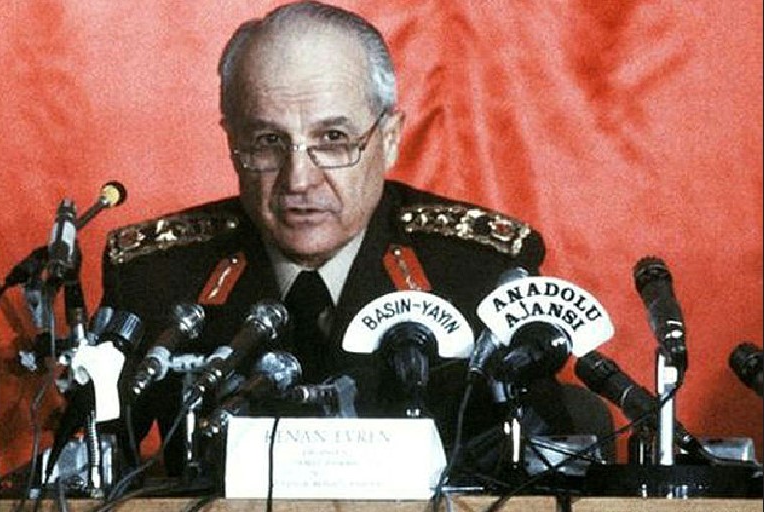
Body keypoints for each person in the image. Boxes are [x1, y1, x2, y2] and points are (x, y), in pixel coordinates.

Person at [101, 0, 602, 482]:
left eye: (333, 139)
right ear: (233, 144)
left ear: (389, 139)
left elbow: (547, 471)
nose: (299, 179)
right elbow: (89, 472)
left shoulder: (475, 272)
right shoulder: (158, 277)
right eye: (269, 141)